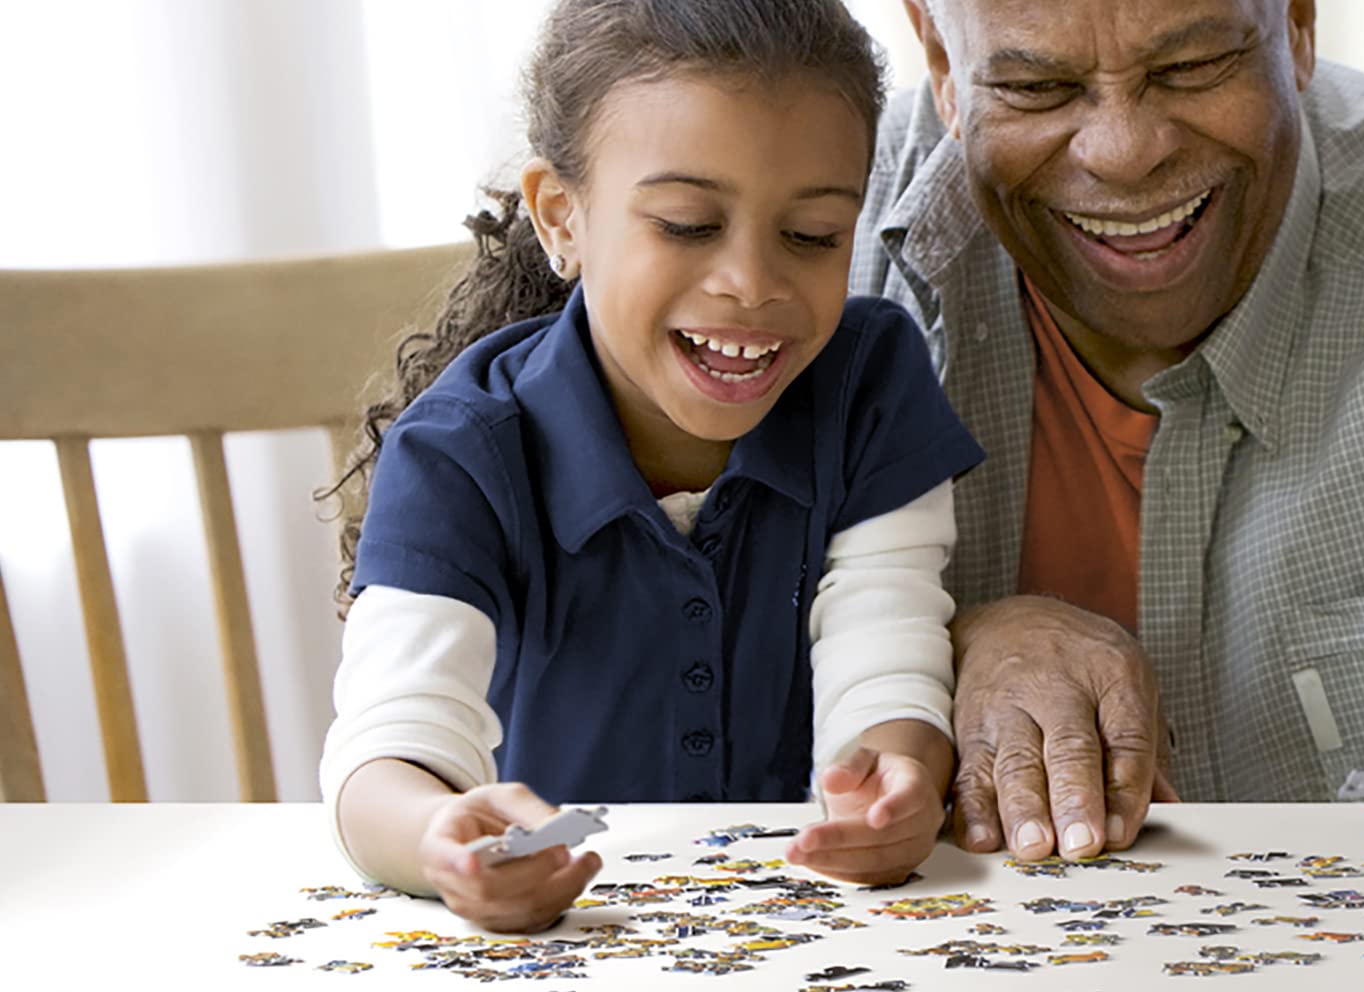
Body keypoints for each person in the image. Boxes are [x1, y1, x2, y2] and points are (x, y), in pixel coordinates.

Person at [857, 0, 1364, 869]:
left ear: (1296, 23)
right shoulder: (795, 223)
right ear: (941, 61)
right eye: (1035, 86)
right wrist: (937, 642)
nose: (1124, 151)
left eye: (1191, 67)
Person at [316, 0, 983, 932]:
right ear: (561, 217)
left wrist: (894, 778)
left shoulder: (871, 384)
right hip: (565, 939)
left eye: (814, 235)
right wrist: (438, 837)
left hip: (813, 929)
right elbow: (386, 750)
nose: (751, 281)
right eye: (684, 223)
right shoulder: (460, 451)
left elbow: (886, 647)